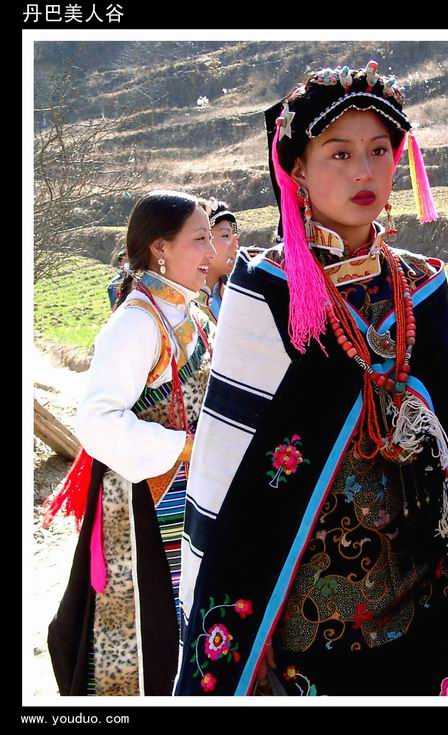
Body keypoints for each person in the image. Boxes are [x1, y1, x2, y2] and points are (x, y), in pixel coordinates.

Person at [172, 62, 448, 697]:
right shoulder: (267, 291)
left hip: (429, 607)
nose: (364, 171)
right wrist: (249, 628)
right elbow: (227, 471)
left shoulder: (423, 288)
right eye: (339, 153)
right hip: (304, 621)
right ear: (298, 169)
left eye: (379, 150)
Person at [43, 190, 216, 696]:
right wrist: (183, 448)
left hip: (190, 494)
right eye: (200, 239)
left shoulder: (189, 313)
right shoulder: (136, 323)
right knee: (150, 630)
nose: (211, 252)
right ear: (160, 248)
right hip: (147, 503)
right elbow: (97, 422)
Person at [195, 198, 239, 322]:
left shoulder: (233, 296)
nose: (235, 244)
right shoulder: (187, 302)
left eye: (235, 237)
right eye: (226, 235)